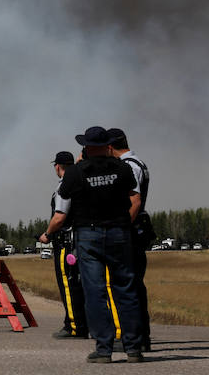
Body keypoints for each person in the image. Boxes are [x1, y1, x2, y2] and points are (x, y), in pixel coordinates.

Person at [57, 126, 144, 364]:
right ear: (107, 145)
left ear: (85, 147)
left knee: (95, 291)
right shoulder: (122, 168)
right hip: (118, 232)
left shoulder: (76, 172)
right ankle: (134, 347)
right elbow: (132, 195)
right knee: (125, 288)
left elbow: (64, 194)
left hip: (88, 233)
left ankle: (104, 349)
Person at [107, 128, 153, 352]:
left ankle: (136, 336)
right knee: (133, 284)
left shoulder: (129, 166)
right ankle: (139, 336)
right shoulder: (138, 162)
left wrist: (122, 229)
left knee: (128, 285)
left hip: (131, 230)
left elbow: (134, 202)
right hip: (134, 228)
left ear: (110, 146)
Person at [39, 151, 88, 339]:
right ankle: (86, 322)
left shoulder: (64, 186)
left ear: (58, 167)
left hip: (66, 243)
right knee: (81, 284)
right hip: (81, 241)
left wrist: (47, 234)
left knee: (68, 284)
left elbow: (59, 217)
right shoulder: (83, 182)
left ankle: (74, 325)